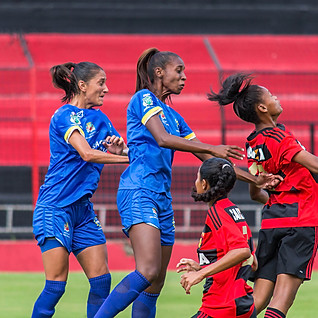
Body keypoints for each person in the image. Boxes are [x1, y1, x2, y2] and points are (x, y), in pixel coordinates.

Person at [94, 49, 280, 318]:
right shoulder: (143, 98)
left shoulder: (173, 115)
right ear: (159, 72)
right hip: (138, 191)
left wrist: (254, 179)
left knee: (155, 282)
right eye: (178, 70)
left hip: (161, 197)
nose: (184, 77)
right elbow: (162, 138)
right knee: (147, 271)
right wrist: (213, 149)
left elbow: (205, 155)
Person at [208, 72, 318, 318]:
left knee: (255, 302)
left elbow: (255, 192)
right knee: (280, 302)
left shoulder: (253, 143)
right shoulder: (281, 138)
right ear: (262, 107)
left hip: (271, 222)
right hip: (301, 221)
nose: (276, 97)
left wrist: (280, 201)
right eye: (271, 95)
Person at [31, 62, 129, 318]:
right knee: (55, 286)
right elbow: (86, 153)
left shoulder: (101, 119)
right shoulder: (64, 115)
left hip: (82, 210)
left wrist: (122, 151)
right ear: (82, 86)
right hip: (55, 207)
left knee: (101, 282)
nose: (106, 89)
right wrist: (128, 160)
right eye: (101, 83)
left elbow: (124, 150)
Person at [177, 158, 257, 318]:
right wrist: (202, 266)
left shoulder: (217, 212)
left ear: (205, 184)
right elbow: (252, 263)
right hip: (242, 304)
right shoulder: (233, 210)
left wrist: (200, 274)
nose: (196, 181)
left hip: (221, 306)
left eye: (198, 177)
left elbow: (242, 251)